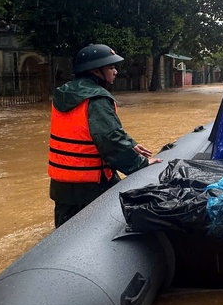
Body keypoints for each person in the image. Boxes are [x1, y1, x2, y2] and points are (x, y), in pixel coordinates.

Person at [48, 44, 160, 227]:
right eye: (111, 67)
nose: (115, 72)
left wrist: (130, 143)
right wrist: (141, 164)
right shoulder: (97, 98)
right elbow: (110, 141)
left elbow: (89, 130)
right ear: (96, 70)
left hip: (61, 184)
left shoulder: (64, 93)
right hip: (91, 184)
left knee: (64, 234)